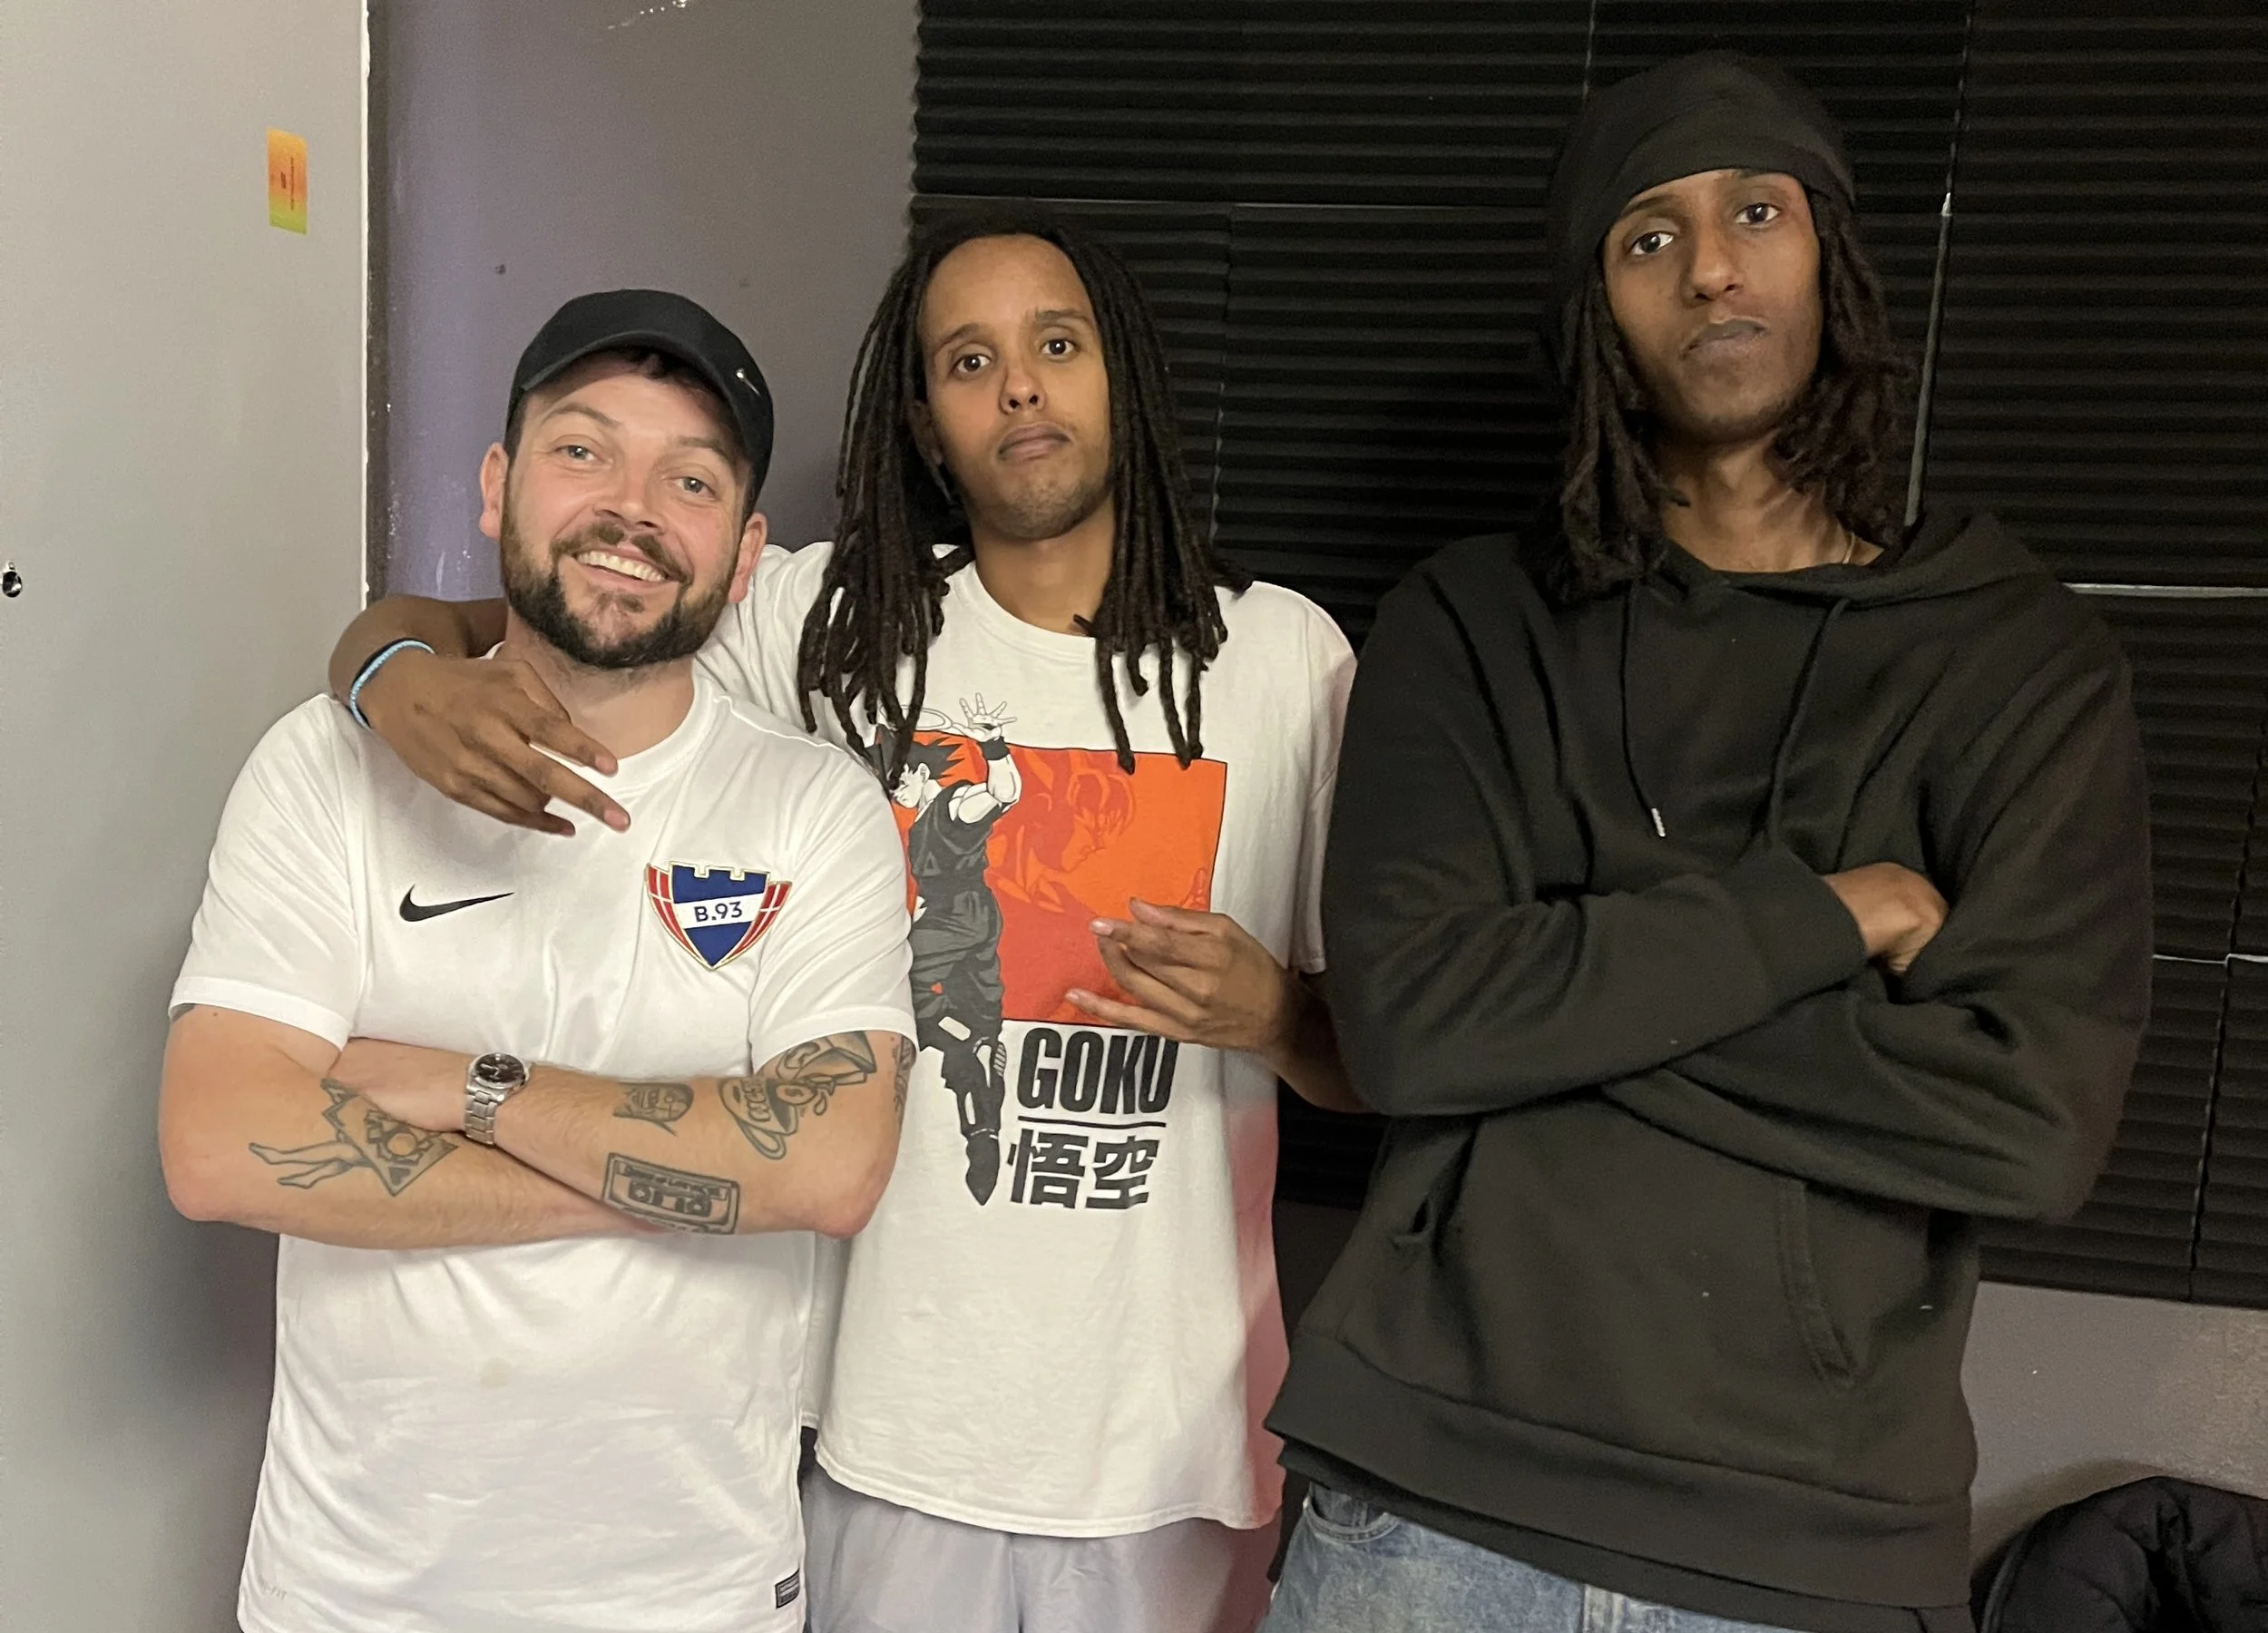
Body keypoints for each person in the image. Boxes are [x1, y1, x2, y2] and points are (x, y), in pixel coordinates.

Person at [324, 210, 1362, 1633]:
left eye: (1056, 345)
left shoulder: (1284, 661)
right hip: (878, 1434)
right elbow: (499, 622)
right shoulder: (826, 622)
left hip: (1167, 1448)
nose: (1018, 388)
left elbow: (1382, 1055)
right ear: (925, 424)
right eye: (967, 359)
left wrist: (1270, 1016)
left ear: (1123, 376)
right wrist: (389, 673)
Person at [1262, 53, 2153, 1633]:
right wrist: (1825, 919)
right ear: (1599, 305)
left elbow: (2029, 1122)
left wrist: (1550, 996)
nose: (1714, 266)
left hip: (1810, 1549)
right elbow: (1404, 1025)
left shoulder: (2014, 663)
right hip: (1430, 1506)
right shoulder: (1472, 625)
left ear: (1835, 259)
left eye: (1757, 210)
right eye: (1647, 235)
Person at [160, 289, 916, 1633]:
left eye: (689, 478)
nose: (630, 507)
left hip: (691, 1592)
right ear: (499, 485)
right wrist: (695, 1181)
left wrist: (473, 1088)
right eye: (583, 450)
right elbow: (220, 1144)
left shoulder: (817, 811)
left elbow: (828, 1165)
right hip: (356, 1589)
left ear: (745, 556)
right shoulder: (323, 769)